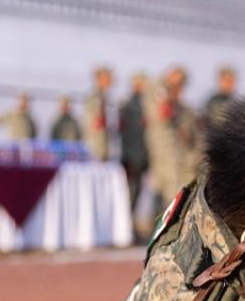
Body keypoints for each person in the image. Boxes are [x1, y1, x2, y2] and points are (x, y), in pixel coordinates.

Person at [146, 65, 200, 207]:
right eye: (179, 83)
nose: (180, 87)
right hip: (164, 147)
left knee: (171, 185)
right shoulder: (160, 89)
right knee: (164, 185)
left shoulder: (181, 105)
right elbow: (165, 113)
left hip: (174, 150)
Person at [119, 73, 150, 208]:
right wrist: (127, 156)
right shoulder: (129, 105)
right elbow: (125, 133)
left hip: (141, 154)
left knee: (137, 188)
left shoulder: (145, 103)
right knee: (130, 188)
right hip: (132, 155)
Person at [84, 66, 113, 160]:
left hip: (105, 146)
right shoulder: (95, 97)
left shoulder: (105, 96)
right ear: (99, 79)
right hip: (97, 147)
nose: (111, 80)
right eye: (108, 77)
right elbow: (95, 123)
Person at [202, 66, 237, 131]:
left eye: (230, 82)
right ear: (220, 81)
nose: (228, 84)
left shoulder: (237, 103)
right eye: (225, 81)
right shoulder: (211, 102)